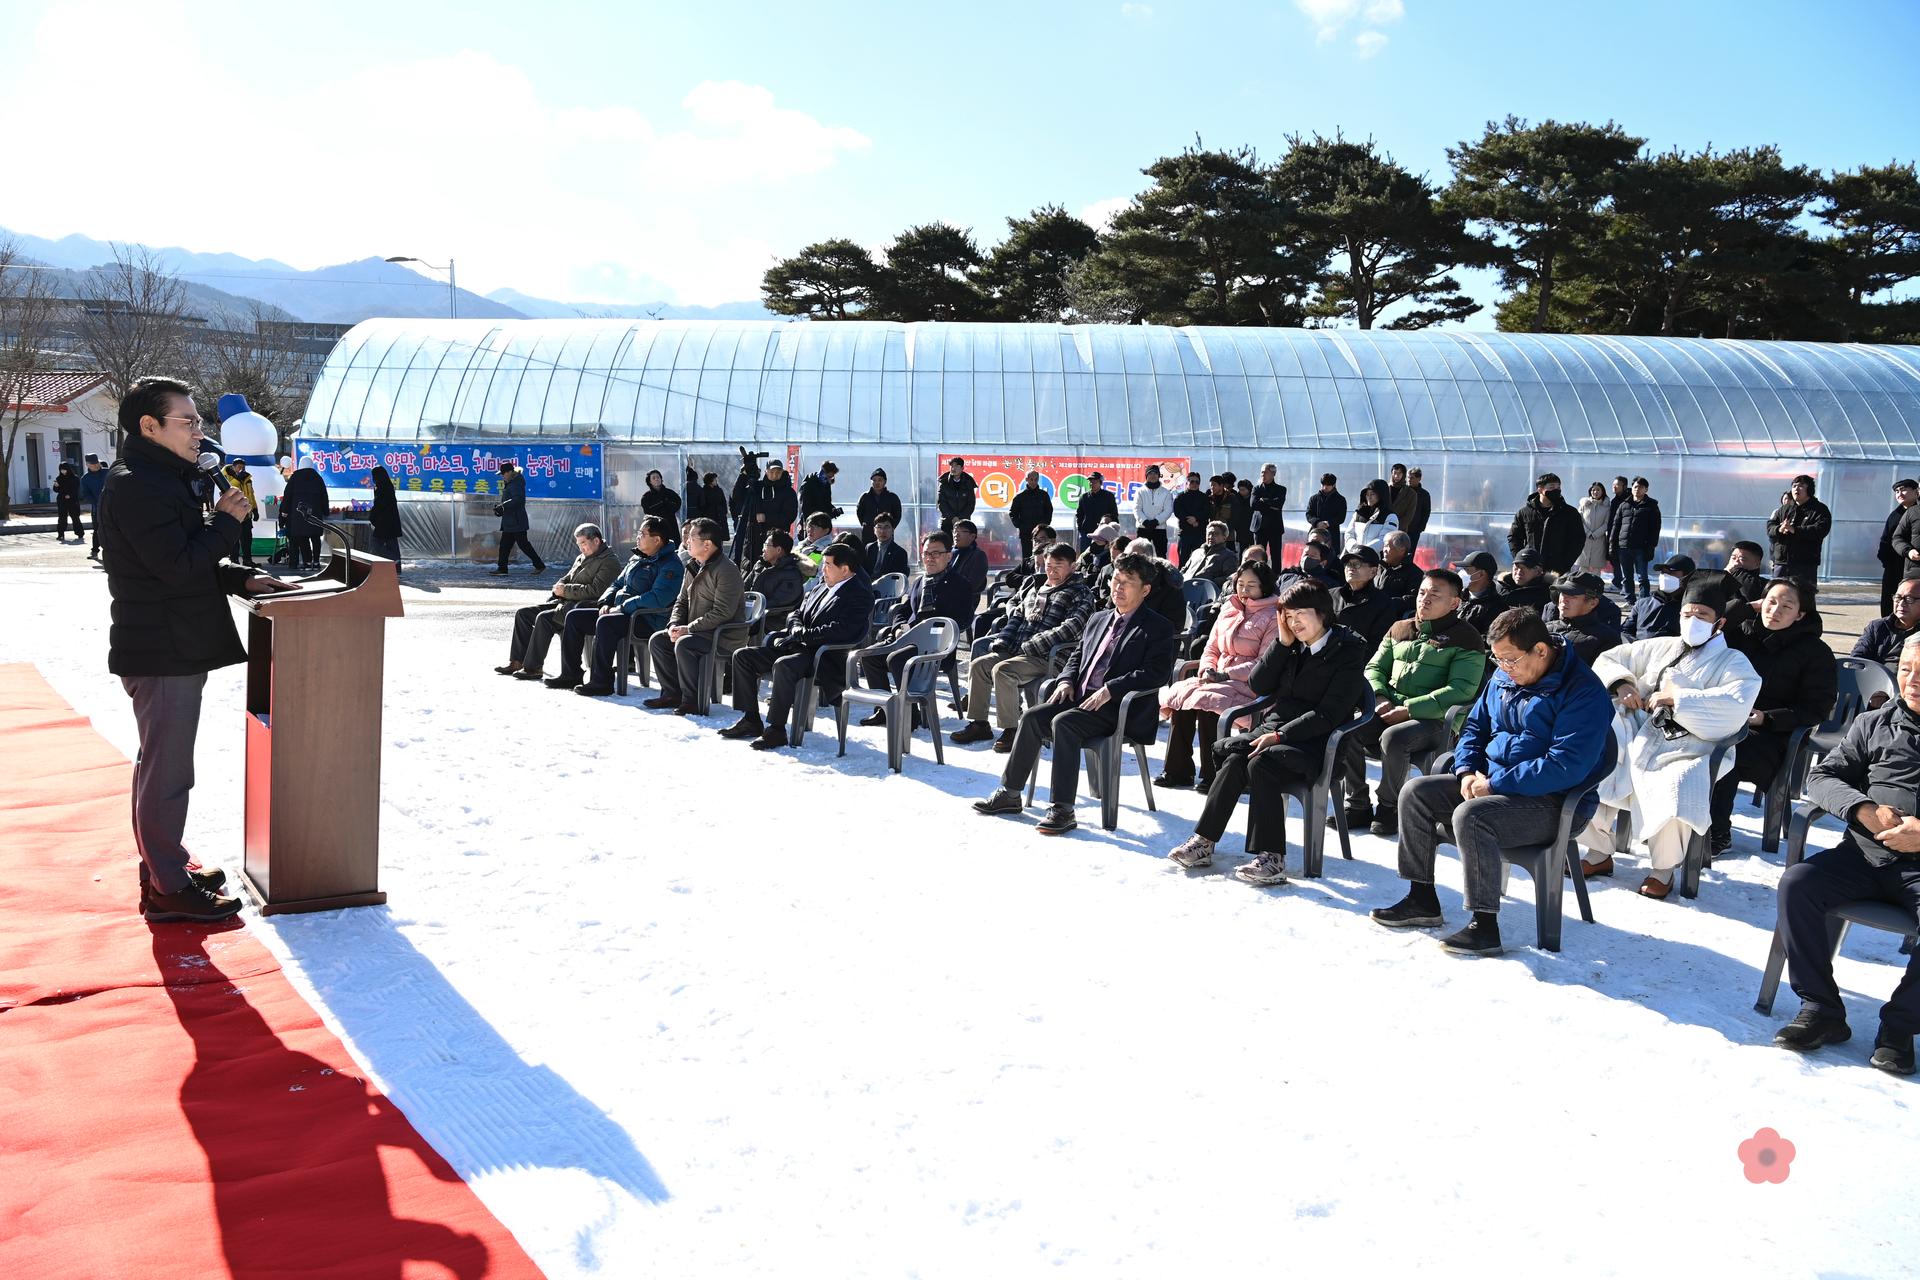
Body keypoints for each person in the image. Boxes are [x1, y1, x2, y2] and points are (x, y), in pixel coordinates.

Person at [99, 375, 298, 922]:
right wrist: (228, 522)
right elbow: (178, 567)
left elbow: (180, 560)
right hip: (161, 646)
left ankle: (164, 863)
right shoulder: (138, 483)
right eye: (187, 422)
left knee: (161, 766)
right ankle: (166, 888)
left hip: (171, 639)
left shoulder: (161, 477)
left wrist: (236, 577)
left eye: (198, 421)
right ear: (149, 426)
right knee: (167, 773)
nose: (198, 433)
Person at [1368, 607, 1615, 955]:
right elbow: (1474, 727)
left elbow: (1566, 766)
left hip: (1555, 802)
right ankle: (1421, 898)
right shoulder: (1504, 677)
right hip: (1494, 784)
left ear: (1541, 651)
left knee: (1472, 817)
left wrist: (1495, 784)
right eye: (1497, 660)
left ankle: (1484, 927)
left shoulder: (1583, 691)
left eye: (1510, 660)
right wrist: (1467, 770)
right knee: (1416, 793)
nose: (1504, 669)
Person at [1769, 634, 1920, 1076]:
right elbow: (1824, 776)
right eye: (1908, 669)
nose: (1913, 680)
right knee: (1798, 884)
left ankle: (1900, 1028)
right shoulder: (1874, 723)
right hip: (1863, 855)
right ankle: (1822, 1010)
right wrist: (1863, 810)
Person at [1161, 578, 1370, 883]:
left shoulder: (1349, 650)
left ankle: (1273, 857)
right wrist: (1282, 644)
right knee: (1234, 759)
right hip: (1276, 730)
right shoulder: (1292, 644)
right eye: (1288, 617)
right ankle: (1204, 841)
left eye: (1301, 615)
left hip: (1318, 742)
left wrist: (1280, 736)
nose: (1294, 623)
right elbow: (1259, 685)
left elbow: (1330, 714)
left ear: (1322, 613)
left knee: (1262, 762)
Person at [973, 554, 1178, 837]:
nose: (1118, 587)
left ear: (1145, 590)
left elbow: (1157, 673)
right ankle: (1010, 793)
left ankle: (1062, 809)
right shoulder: (1099, 618)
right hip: (1081, 700)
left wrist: (1111, 689)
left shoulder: (1158, 627)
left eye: (1128, 583)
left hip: (1118, 708)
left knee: (1064, 723)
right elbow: (1077, 655)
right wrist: (1066, 680)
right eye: (1115, 580)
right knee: (1033, 717)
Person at [1581, 579, 1763, 897]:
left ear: (1719, 623)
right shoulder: (1660, 646)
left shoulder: (1734, 662)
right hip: (1638, 731)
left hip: (1691, 744)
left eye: (1702, 615)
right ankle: (1597, 853)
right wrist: (1623, 684)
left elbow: (1735, 703)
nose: (1692, 621)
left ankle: (1662, 869)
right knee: (1594, 760)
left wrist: (1677, 699)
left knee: (1677, 782)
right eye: (1687, 613)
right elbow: (1610, 659)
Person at [1339, 568, 1488, 836]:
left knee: (1395, 737)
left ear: (1454, 603)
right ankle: (1357, 804)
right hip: (1387, 709)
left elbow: (1461, 690)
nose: (1425, 600)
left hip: (1434, 721)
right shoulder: (1400, 628)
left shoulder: (1467, 638)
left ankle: (1389, 807)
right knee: (1347, 727)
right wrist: (1380, 696)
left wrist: (1410, 709)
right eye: (1422, 592)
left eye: (1435, 595)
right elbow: (1374, 669)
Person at [1711, 578, 1837, 853]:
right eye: (1771, 602)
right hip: (1725, 719)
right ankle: (1677, 823)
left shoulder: (1815, 652)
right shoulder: (1741, 633)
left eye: (1786, 606)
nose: (1775, 611)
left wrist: (1767, 718)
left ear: (1800, 614)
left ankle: (1716, 832)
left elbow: (1818, 707)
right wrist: (1745, 608)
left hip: (1774, 735)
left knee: (1728, 750)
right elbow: (1709, 625)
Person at [721, 541, 874, 749]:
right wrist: (796, 628)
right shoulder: (821, 587)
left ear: (845, 569)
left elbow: (842, 630)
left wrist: (805, 635)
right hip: (797, 646)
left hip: (824, 657)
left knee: (784, 665)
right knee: (743, 656)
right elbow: (797, 612)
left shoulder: (859, 594)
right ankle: (750, 719)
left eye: (828, 564)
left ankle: (776, 729)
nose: (823, 569)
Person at [954, 543, 1094, 750]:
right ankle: (980, 723)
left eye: (1058, 566)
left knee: (1003, 671)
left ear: (1072, 566)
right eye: (1048, 565)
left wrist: (1033, 644)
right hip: (1019, 651)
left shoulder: (1080, 593)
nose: (1052, 571)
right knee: (980, 664)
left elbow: (1072, 628)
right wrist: (1004, 642)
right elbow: (1017, 616)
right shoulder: (1038, 588)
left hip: (1050, 657)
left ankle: (1012, 729)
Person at [1156, 562, 1281, 791]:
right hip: (1217, 677)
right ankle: (1177, 770)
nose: (1244, 591)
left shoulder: (1273, 616)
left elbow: (1264, 663)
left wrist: (1224, 675)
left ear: (1264, 587)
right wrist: (1207, 669)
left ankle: (1213, 772)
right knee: (1182, 697)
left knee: (1210, 701)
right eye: (1241, 584)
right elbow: (1211, 647)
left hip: (1249, 684)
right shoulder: (1229, 609)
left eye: (1251, 586)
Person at [855, 532, 978, 724]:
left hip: (935, 647)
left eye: (936, 554)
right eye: (926, 553)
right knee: (868, 656)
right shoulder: (920, 581)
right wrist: (898, 627)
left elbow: (963, 620)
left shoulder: (960, 585)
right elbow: (903, 610)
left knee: (896, 660)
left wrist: (929, 629)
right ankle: (884, 710)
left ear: (948, 556)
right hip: (906, 638)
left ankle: (910, 715)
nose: (929, 558)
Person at [556, 518, 685, 696]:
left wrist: (623, 607)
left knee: (606, 623)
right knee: (575, 617)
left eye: (642, 534)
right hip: (622, 613)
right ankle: (571, 674)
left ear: (657, 540)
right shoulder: (636, 558)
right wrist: (606, 602)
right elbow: (616, 583)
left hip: (647, 619)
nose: (637, 537)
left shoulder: (671, 564)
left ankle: (601, 682)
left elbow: (658, 598)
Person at [637, 518, 746, 712]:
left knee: (685, 643)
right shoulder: (692, 566)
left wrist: (689, 628)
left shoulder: (727, 570)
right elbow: (681, 601)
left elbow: (723, 612)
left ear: (707, 544)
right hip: (697, 631)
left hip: (722, 636)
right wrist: (674, 624)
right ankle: (672, 694)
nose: (686, 540)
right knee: (659, 640)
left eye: (692, 536)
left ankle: (692, 700)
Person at [496, 523, 621, 679]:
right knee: (523, 614)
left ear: (596, 541)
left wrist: (566, 590)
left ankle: (533, 668)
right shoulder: (583, 556)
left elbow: (596, 591)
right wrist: (559, 587)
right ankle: (517, 661)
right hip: (564, 602)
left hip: (580, 608)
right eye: (579, 544)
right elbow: (568, 577)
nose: (581, 548)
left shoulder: (609, 561)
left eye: (583, 543)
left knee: (544, 619)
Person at [1508, 472, 1583, 574]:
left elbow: (1577, 540)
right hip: (1530, 568)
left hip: (1556, 570)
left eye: (1558, 487)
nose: (1556, 490)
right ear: (1540, 489)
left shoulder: (1570, 513)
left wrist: (1565, 564)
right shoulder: (1524, 513)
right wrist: (1521, 559)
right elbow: (1514, 537)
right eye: (1552, 487)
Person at [1545, 571, 1623, 664]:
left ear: (1592, 603)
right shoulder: (1546, 628)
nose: (1564, 600)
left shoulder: (1606, 639)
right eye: (1562, 593)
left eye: (1572, 596)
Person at [1332, 544, 1399, 648]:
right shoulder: (1330, 595)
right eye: (1348, 564)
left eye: (1357, 564)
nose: (1351, 568)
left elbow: (1377, 644)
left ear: (1373, 572)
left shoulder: (1383, 604)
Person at [1768, 474, 1833, 581]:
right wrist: (1779, 529)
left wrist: (1795, 530)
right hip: (1782, 562)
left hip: (1805, 563)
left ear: (1810, 489)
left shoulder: (1820, 509)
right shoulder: (1784, 509)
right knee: (1779, 592)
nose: (1796, 489)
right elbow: (1770, 526)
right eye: (1794, 486)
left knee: (1803, 595)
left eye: (1801, 486)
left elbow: (1821, 530)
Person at [1609, 476, 1661, 603]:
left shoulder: (1651, 506)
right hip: (1623, 547)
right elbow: (1615, 526)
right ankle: (1630, 601)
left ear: (1646, 490)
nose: (1637, 489)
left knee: (1642, 578)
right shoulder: (1624, 505)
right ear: (1631, 488)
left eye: (1641, 487)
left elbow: (1655, 529)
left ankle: (1643, 603)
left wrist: (1651, 547)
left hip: (1641, 548)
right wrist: (1612, 544)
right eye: (1635, 487)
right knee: (1626, 578)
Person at [743, 528, 807, 629]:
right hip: (750, 615)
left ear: (778, 550)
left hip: (770, 623)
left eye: (766, 545)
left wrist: (751, 610)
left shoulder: (791, 574)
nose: (763, 549)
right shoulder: (760, 565)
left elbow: (778, 603)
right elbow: (743, 588)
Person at [489, 460, 545, 575]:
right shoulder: (512, 482)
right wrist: (502, 508)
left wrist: (503, 506)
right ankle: (502, 568)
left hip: (517, 521)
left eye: (503, 473)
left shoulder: (516, 483)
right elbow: (512, 500)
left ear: (510, 472)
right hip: (511, 521)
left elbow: (518, 500)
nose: (502, 476)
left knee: (523, 545)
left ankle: (539, 565)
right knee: (505, 546)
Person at [1622, 552, 1694, 641]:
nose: (1665, 576)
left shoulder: (1692, 608)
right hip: (1640, 652)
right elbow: (1625, 631)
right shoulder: (1643, 604)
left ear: (1687, 577)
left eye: (1671, 572)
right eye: (1663, 573)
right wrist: (1638, 647)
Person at [1856, 576, 1920, 670]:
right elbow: (1857, 659)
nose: (1901, 603)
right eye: (1898, 598)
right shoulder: (1877, 627)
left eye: (1909, 599)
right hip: (1874, 680)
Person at [281, 458, 329, 571]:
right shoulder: (318, 478)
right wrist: (325, 511)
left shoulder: (295, 478)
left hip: (299, 514)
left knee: (303, 538)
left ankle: (307, 562)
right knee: (316, 538)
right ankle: (316, 562)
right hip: (315, 513)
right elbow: (324, 496)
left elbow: (287, 496)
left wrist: (284, 511)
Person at [746, 461, 799, 561]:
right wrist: (744, 475)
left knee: (774, 570)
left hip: (776, 541)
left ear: (782, 472)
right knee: (752, 569)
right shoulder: (757, 488)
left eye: (778, 472)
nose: (775, 475)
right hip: (754, 540)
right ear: (766, 472)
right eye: (772, 472)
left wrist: (767, 518)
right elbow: (737, 498)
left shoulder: (788, 492)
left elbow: (790, 516)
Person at [1887, 481, 1920, 611]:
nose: (1899, 494)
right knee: (1909, 611)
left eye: (1903, 490)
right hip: (1914, 572)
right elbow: (1897, 538)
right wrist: (1908, 551)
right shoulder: (1912, 512)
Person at [1008, 471, 1053, 566]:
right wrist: (1020, 525)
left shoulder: (1043, 495)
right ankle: (1027, 576)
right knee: (1027, 557)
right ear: (1026, 480)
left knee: (1041, 555)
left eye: (1036, 479)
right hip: (1026, 532)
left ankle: (1040, 575)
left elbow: (1049, 510)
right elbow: (1013, 513)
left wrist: (1045, 525)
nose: (1033, 482)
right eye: (1031, 479)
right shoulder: (1020, 497)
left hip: (1041, 533)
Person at [222, 457, 260, 568]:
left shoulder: (247, 478)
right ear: (233, 467)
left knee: (247, 538)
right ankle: (234, 560)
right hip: (233, 513)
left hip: (246, 513)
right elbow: (228, 491)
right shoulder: (226, 477)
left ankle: (248, 560)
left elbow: (251, 495)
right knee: (234, 538)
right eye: (239, 467)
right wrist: (238, 479)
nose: (241, 469)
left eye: (243, 467)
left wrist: (255, 509)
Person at [1455, 551, 1503, 635]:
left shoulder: (1496, 608)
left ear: (1481, 574)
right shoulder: (1456, 597)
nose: (1461, 573)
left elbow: (1489, 640)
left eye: (1467, 569)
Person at [1494, 548, 1552, 617]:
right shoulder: (1499, 588)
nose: (1519, 572)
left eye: (1525, 568)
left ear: (1538, 572)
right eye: (1516, 567)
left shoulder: (1546, 595)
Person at [1134, 464, 1174, 557]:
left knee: (1161, 555)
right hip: (1143, 528)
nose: (1153, 476)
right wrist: (1145, 522)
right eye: (1150, 473)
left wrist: (1156, 521)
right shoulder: (1140, 491)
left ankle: (1161, 572)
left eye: (1155, 473)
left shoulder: (1166, 492)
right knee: (1141, 555)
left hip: (1160, 528)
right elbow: (1136, 509)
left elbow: (1168, 510)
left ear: (1159, 475)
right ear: (1146, 476)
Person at [1345, 479, 1396, 552]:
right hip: (1356, 557)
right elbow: (1349, 534)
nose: (1369, 497)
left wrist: (1364, 551)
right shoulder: (1358, 514)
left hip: (1377, 560)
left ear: (1381, 495)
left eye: (1372, 494)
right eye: (1367, 494)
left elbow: (1385, 539)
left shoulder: (1390, 516)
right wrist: (1354, 548)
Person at [948, 519, 989, 607]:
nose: (956, 534)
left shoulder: (979, 556)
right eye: (955, 531)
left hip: (965, 600)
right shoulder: (947, 553)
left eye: (961, 531)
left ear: (972, 536)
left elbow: (972, 585)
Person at [1250, 464, 1287, 563]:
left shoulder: (1281, 489)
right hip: (1259, 527)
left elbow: (1278, 504)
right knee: (1258, 555)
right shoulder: (1256, 489)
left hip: (1274, 527)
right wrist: (1270, 503)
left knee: (1275, 556)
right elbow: (1253, 505)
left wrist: (1263, 501)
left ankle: (1276, 576)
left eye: (1265, 472)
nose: (1262, 474)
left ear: (1273, 474)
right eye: (1261, 472)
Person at [1173, 471, 1211, 566]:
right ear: (1186, 483)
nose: (1194, 484)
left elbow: (1207, 512)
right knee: (1183, 561)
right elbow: (1178, 512)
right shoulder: (1180, 497)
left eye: (1197, 482)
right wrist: (1190, 520)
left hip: (1200, 533)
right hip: (1185, 533)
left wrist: (1196, 519)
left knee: (1199, 562)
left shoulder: (1204, 497)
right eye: (1191, 481)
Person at [1187, 522, 1240, 590]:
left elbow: (1230, 577)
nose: (1211, 537)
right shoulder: (1197, 552)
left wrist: (1210, 581)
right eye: (1209, 533)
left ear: (1224, 538)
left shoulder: (1229, 556)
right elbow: (1184, 569)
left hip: (1207, 593)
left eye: (1216, 534)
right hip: (1185, 587)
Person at [1075, 471, 1120, 550]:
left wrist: (1110, 526)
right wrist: (1080, 529)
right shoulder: (1084, 497)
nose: (1092, 484)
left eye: (1095, 482)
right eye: (1090, 482)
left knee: (1103, 555)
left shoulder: (1108, 496)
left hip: (1103, 534)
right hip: (1087, 532)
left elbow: (1114, 514)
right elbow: (1079, 514)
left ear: (1100, 483)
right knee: (1085, 554)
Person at [366, 464, 400, 569]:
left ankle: (392, 562)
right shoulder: (387, 486)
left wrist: (372, 516)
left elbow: (380, 505)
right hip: (391, 522)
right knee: (392, 545)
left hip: (384, 522)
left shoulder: (382, 488)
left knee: (376, 546)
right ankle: (396, 567)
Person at [857, 468, 903, 543]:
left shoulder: (892, 497)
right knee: (869, 551)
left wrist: (890, 527)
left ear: (885, 482)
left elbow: (897, 514)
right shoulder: (865, 497)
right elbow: (859, 513)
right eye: (874, 480)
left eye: (880, 480)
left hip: (886, 533)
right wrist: (866, 524)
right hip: (868, 533)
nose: (877, 483)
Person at [861, 514, 910, 581]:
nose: (882, 531)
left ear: (892, 530)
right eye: (879, 527)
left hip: (887, 587)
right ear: (874, 530)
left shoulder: (900, 552)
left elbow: (899, 578)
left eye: (886, 527)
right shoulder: (869, 548)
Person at [938, 457, 977, 538]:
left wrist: (960, 519)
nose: (953, 468)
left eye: (956, 466)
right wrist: (952, 518)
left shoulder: (968, 482)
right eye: (951, 466)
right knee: (947, 545)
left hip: (964, 521)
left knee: (963, 544)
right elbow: (941, 502)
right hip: (947, 521)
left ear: (962, 468)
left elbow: (971, 504)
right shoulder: (944, 482)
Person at [640, 469, 682, 545]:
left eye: (658, 477)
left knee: (673, 546)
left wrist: (668, 505)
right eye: (653, 478)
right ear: (649, 482)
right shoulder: (646, 497)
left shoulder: (670, 493)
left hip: (671, 525)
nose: (656, 479)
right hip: (656, 527)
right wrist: (660, 504)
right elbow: (647, 511)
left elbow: (678, 503)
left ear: (661, 479)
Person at [1605, 475, 1632, 594]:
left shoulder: (1628, 500)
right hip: (1613, 534)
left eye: (1617, 485)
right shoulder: (1614, 500)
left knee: (1624, 562)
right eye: (1613, 485)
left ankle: (1625, 587)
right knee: (1615, 560)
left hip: (1624, 536)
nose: (1614, 487)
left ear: (1624, 486)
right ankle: (1617, 582)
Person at [1378, 530, 1421, 602]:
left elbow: (1412, 599)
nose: (1384, 550)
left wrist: (1388, 603)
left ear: (1402, 550)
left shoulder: (1415, 573)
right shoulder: (1378, 567)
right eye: (1384, 546)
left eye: (1387, 546)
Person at [1577, 481, 1610, 574]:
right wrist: (1587, 532)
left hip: (1599, 540)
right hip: (1585, 538)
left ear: (1602, 491)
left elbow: (1607, 523)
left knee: (1596, 566)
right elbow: (1579, 520)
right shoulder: (1584, 505)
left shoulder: (1606, 507)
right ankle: (1581, 586)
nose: (1595, 492)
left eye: (1598, 490)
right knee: (1583, 566)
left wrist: (1595, 534)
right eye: (1593, 490)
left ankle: (1595, 587)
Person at [80, 454, 108, 560]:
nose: (96, 466)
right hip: (97, 507)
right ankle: (95, 551)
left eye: (97, 463)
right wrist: (96, 502)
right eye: (93, 464)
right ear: (87, 464)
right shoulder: (85, 479)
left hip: (111, 506)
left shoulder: (108, 472)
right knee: (97, 530)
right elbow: (85, 495)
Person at [800, 461, 842, 526]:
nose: (830, 479)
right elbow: (805, 507)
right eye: (829, 476)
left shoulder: (826, 484)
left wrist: (833, 510)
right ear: (824, 473)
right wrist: (807, 524)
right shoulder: (809, 484)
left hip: (822, 521)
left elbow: (827, 502)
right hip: (812, 522)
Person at [1404, 467, 1432, 552]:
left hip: (1414, 529)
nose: (1409, 480)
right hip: (1402, 527)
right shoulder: (1403, 491)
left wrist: (1420, 528)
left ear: (1419, 478)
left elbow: (1426, 512)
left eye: (1412, 478)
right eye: (1408, 477)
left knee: (1410, 552)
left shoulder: (1424, 494)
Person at [53, 461, 83, 541]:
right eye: (61, 470)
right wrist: (56, 486)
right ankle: (61, 534)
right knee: (62, 517)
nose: (62, 471)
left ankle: (80, 533)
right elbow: (56, 490)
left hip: (73, 500)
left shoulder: (75, 478)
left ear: (68, 469)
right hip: (62, 500)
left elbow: (76, 489)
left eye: (64, 469)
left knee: (75, 517)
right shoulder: (59, 478)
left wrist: (70, 495)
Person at [1385, 463, 1418, 530]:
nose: (1396, 476)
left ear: (1404, 475)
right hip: (1383, 527)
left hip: (1399, 529)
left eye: (1399, 473)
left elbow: (1409, 515)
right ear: (1391, 473)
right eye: (1394, 473)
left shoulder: (1411, 493)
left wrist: (1396, 527)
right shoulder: (1384, 489)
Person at [1231, 478, 1257, 550]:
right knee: (1242, 550)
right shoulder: (1236, 498)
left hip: (1252, 528)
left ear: (1249, 489)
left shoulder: (1253, 498)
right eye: (1240, 489)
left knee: (1253, 549)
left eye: (1243, 490)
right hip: (1241, 529)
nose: (1241, 492)